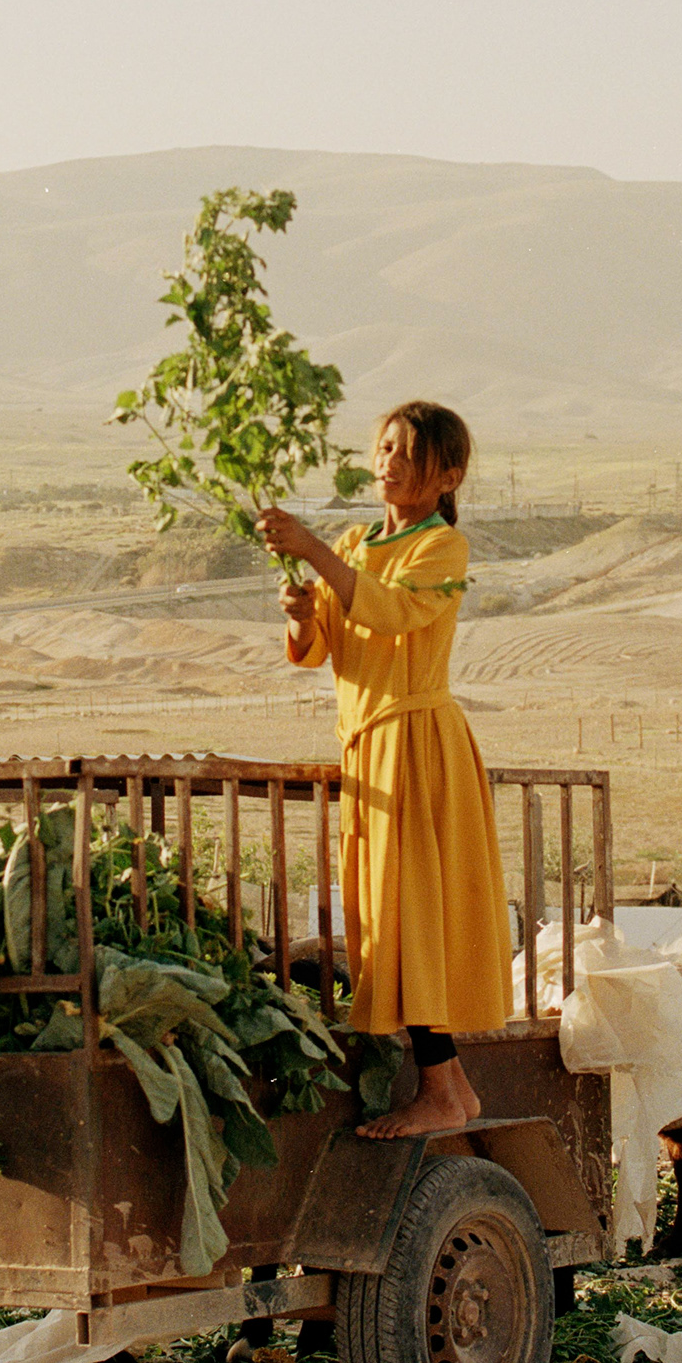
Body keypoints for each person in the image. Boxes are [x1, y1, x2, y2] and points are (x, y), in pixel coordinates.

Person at [258, 401, 511, 1138]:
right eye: (385, 447)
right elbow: (322, 647)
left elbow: (392, 614)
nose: (388, 462)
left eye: (408, 452)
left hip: (417, 745)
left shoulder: (442, 549)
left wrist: (312, 550)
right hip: (369, 747)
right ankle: (453, 1089)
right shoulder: (355, 544)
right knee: (385, 919)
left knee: (412, 915)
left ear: (448, 477)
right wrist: (301, 613)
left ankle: (438, 1088)